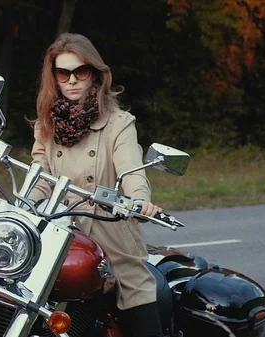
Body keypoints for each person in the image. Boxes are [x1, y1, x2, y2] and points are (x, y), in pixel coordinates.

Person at [28, 33, 164, 337]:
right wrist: (24, 203)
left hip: (110, 234)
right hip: (60, 235)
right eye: (63, 73)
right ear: (54, 78)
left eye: (81, 71)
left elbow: (132, 170)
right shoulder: (46, 124)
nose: (72, 80)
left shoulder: (118, 123)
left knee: (138, 304)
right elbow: (39, 176)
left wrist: (139, 200)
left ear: (95, 74)